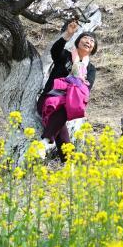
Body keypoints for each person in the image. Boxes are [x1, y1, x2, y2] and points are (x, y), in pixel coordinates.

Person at [37, 21, 98, 161]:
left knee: (63, 111)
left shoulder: (90, 69)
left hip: (68, 104)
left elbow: (85, 90)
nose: (88, 41)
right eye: (85, 38)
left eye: (92, 41)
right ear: (78, 41)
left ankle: (46, 143)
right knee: (60, 126)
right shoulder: (64, 55)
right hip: (49, 98)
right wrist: (68, 34)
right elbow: (55, 50)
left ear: (93, 49)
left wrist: (69, 84)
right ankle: (69, 161)